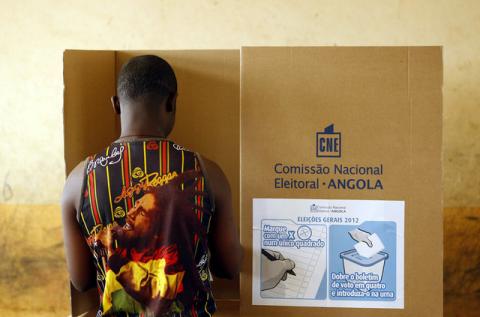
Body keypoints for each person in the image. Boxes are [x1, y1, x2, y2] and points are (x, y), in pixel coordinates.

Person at [61, 55, 242, 316]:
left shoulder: (79, 180)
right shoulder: (207, 173)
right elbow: (229, 268)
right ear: (172, 102)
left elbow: (81, 281)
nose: (132, 214)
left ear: (116, 105)